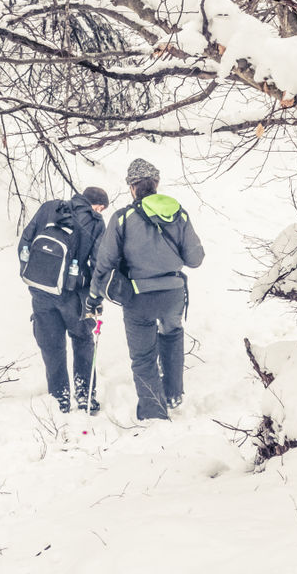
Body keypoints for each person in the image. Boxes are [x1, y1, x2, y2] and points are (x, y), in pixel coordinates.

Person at [87, 158, 204, 421]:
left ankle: (154, 412)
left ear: (132, 187)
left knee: (143, 357)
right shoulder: (179, 213)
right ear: (157, 184)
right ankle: (173, 394)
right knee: (172, 336)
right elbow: (195, 259)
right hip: (174, 294)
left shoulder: (123, 218)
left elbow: (104, 263)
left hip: (138, 298)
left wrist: (94, 297)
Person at [19, 186, 109, 414]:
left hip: (41, 292)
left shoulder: (50, 208)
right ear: (96, 205)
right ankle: (85, 395)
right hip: (74, 296)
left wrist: (34, 276)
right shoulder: (96, 222)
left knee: (52, 346)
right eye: (101, 208)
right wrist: (95, 297)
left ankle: (59, 397)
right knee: (82, 340)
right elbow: (99, 264)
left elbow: (25, 242)